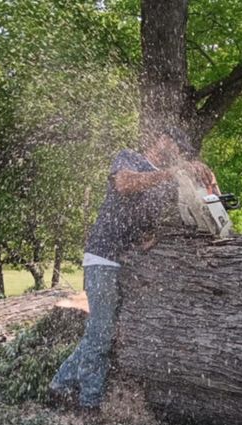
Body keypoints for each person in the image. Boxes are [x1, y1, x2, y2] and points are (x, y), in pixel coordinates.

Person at [51, 128, 218, 407]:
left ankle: (60, 383)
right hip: (103, 256)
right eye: (176, 145)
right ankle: (89, 403)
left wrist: (208, 182)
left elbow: (163, 220)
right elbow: (125, 184)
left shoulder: (167, 184)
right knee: (101, 332)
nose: (178, 153)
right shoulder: (130, 158)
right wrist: (173, 172)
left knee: (105, 331)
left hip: (128, 263)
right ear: (163, 140)